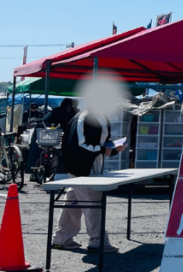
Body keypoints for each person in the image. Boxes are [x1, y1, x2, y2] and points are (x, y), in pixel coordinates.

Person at [51, 108, 129, 253]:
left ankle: (61, 239)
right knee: (92, 202)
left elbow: (103, 142)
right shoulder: (84, 117)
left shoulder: (102, 115)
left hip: (91, 166)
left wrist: (113, 148)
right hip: (81, 168)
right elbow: (77, 145)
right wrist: (102, 149)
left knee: (73, 202)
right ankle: (97, 242)